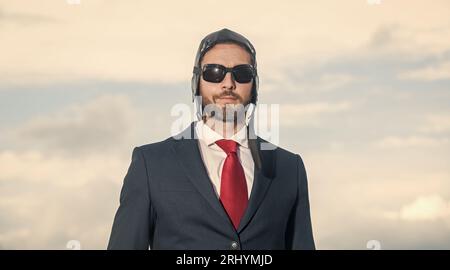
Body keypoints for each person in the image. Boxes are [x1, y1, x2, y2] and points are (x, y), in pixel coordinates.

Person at [107, 28, 315, 250]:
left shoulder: (289, 168)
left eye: (242, 73)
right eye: (214, 72)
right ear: (197, 81)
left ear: (254, 84)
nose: (228, 84)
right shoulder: (151, 163)